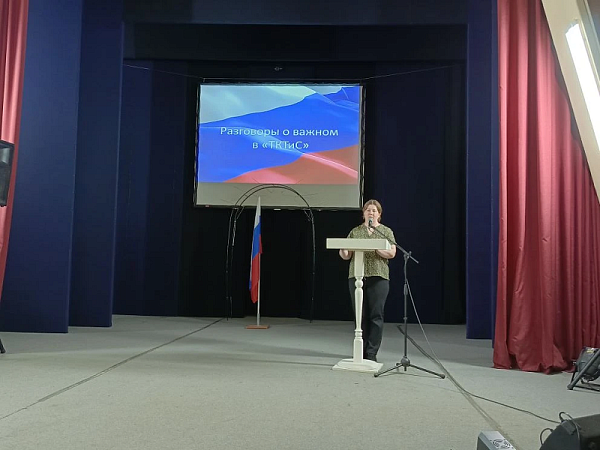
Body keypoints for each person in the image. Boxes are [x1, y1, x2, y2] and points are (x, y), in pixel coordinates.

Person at [339, 199, 396, 362]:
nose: (371, 213)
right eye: (368, 210)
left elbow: (392, 253)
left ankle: (371, 353)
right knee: (360, 315)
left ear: (379, 214)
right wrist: (343, 249)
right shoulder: (355, 231)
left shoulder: (385, 231)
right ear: (363, 213)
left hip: (378, 276)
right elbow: (346, 255)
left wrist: (375, 247)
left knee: (376, 315)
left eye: (374, 210)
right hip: (357, 276)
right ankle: (360, 351)